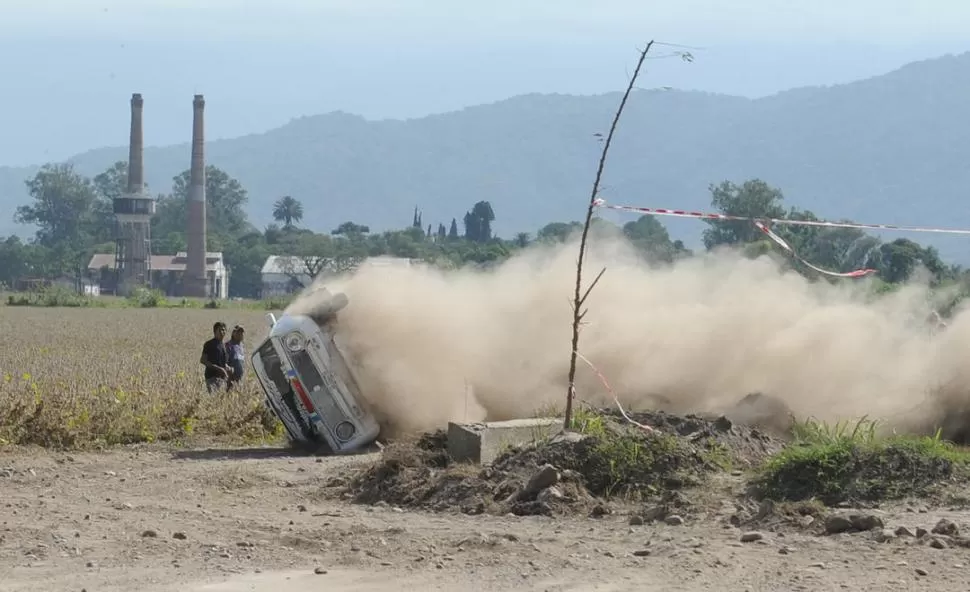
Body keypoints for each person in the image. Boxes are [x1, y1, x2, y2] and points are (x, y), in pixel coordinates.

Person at [200, 321, 232, 393]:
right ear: (215, 331)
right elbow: (203, 360)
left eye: (224, 330)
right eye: (220, 330)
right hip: (211, 377)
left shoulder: (224, 346)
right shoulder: (209, 344)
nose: (222, 332)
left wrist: (228, 368)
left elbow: (224, 362)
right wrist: (218, 368)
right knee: (214, 399)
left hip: (222, 378)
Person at [226, 325, 246, 390]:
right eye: (238, 332)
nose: (240, 334)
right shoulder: (228, 345)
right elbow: (224, 361)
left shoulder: (241, 346)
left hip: (240, 379)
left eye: (242, 333)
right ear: (233, 333)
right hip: (230, 379)